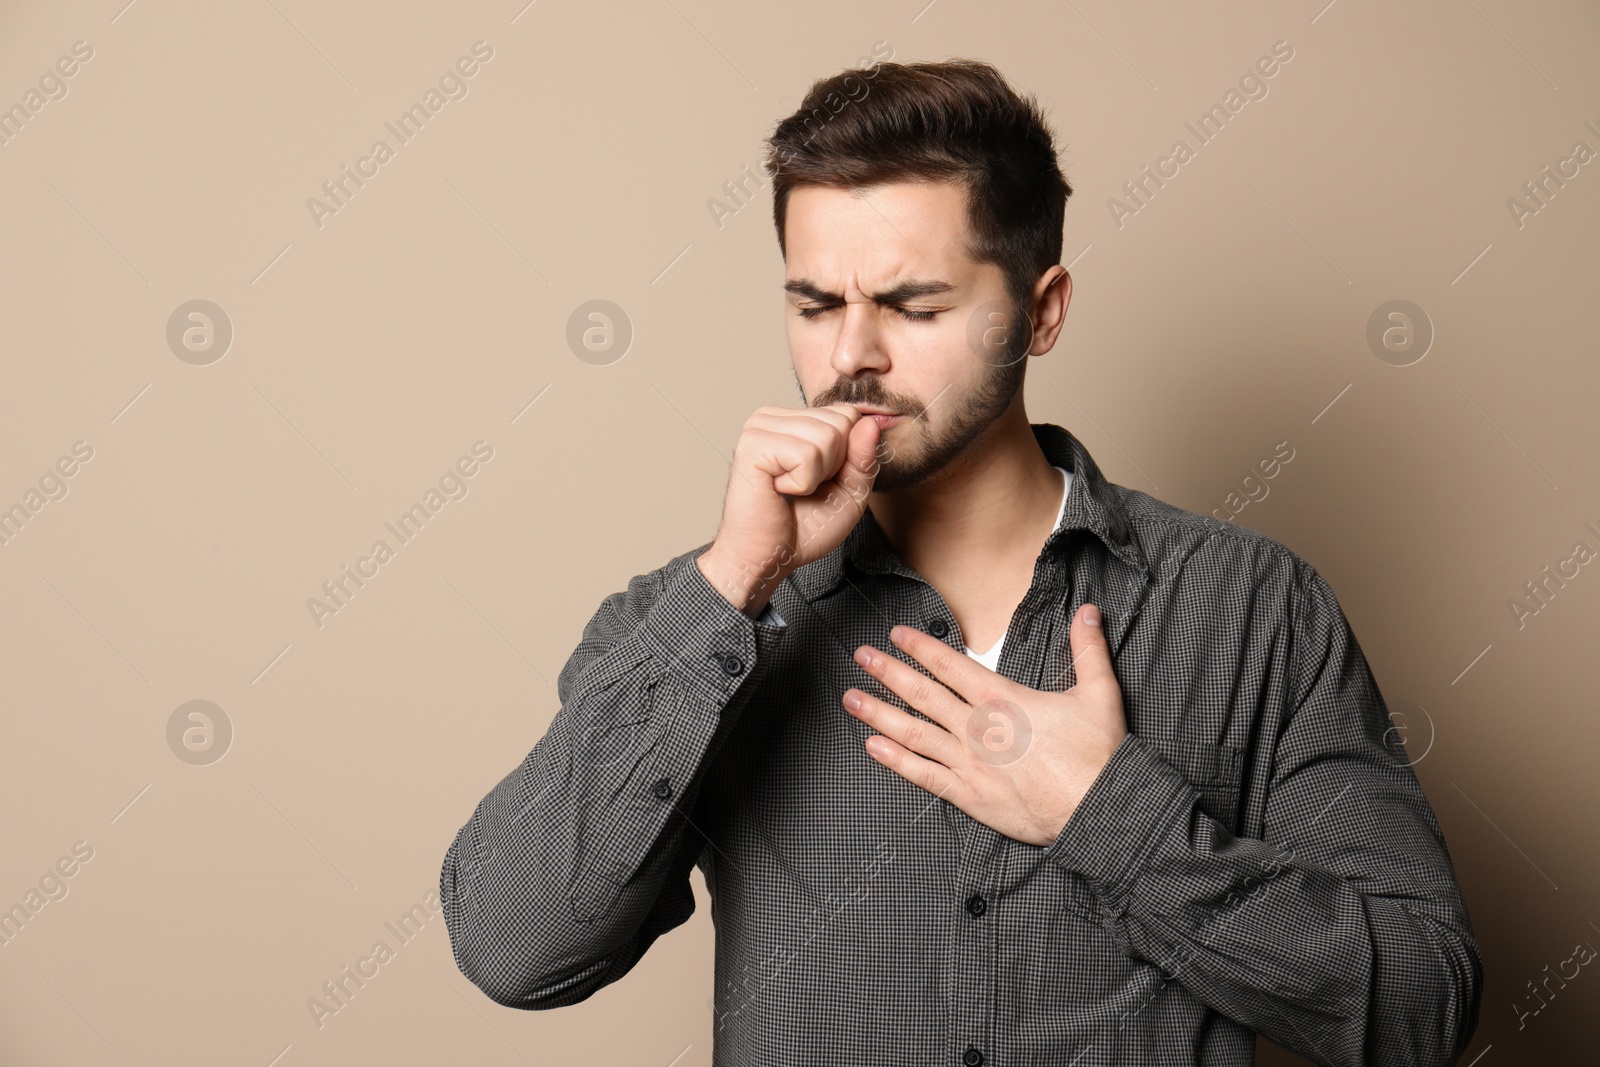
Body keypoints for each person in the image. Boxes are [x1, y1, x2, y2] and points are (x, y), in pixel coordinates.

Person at [440, 57, 1482, 1066]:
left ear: (1041, 309)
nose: (852, 354)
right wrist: (730, 586)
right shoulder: (686, 624)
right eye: (815, 305)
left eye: (912, 306)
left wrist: (1107, 816)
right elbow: (514, 949)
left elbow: (1421, 1009)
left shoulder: (1249, 606)